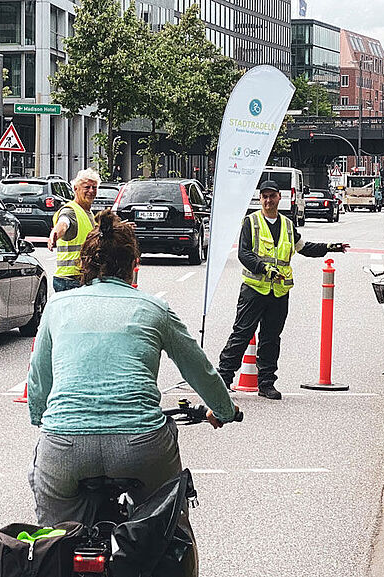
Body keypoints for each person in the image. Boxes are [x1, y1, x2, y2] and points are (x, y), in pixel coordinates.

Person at [27, 209, 238, 530]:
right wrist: (223, 410)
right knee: (166, 525)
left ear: (85, 266)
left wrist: (42, 418)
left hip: (65, 446)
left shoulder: (58, 307)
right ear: (133, 266)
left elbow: (39, 379)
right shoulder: (155, 309)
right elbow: (200, 371)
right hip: (140, 446)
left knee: (55, 535)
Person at [217, 180, 349, 400]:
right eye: (264, 197)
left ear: (280, 197)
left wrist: (328, 248)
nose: (268, 201)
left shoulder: (287, 225)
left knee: (271, 338)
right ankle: (223, 380)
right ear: (260, 199)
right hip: (254, 290)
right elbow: (244, 253)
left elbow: (303, 247)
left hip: (279, 293)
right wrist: (265, 268)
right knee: (242, 334)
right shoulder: (252, 222)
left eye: (272, 196)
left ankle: (266, 384)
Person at [47, 168, 99, 292]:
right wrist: (55, 234)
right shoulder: (70, 211)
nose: (91, 191)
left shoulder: (88, 213)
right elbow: (63, 223)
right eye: (87, 187)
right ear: (76, 188)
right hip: (70, 281)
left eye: (94, 187)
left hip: (80, 278)